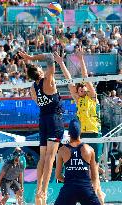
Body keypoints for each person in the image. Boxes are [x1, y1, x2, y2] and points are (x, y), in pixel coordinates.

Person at [54, 51, 104, 204]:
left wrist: (81, 60)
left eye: (83, 87)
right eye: (79, 87)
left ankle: (98, 197)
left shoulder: (93, 98)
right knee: (89, 174)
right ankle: (99, 198)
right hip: (82, 138)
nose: (81, 88)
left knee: (93, 170)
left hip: (94, 134)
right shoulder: (78, 100)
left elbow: (86, 78)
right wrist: (61, 63)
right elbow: (70, 81)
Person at [19, 51, 64, 205]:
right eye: (39, 67)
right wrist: (31, 58)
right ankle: (43, 193)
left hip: (43, 120)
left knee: (43, 158)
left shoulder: (33, 87)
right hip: (54, 119)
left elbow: (39, 103)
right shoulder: (48, 80)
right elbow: (50, 57)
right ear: (38, 71)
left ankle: (39, 191)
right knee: (51, 158)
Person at [54, 119, 101, 205]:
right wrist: (92, 192)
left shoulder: (62, 150)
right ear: (80, 133)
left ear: (68, 134)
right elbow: (94, 176)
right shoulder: (89, 150)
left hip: (69, 189)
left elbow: (58, 176)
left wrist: (69, 182)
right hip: (86, 188)